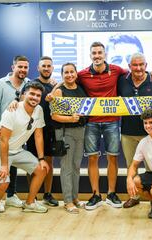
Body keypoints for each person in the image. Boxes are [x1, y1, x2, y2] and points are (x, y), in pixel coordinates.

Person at [0, 81, 49, 220]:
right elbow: (3, 140)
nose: (35, 97)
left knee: (42, 169)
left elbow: (38, 135)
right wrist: (4, 165)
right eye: (31, 94)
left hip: (16, 151)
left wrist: (42, 159)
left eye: (38, 95)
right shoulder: (12, 111)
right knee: (3, 182)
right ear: (23, 94)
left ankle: (30, 203)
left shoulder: (39, 110)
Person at [117, 52, 152, 208]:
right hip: (127, 133)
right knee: (130, 166)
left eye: (141, 64)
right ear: (129, 67)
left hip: (149, 134)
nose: (138, 68)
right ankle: (134, 197)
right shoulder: (122, 81)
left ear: (146, 66)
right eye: (135, 65)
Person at [78, 41, 127, 210]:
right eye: (94, 53)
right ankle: (95, 195)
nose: (97, 56)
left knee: (112, 157)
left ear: (105, 54)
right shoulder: (82, 74)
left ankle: (111, 194)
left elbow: (135, 73)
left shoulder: (116, 69)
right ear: (90, 55)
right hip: (91, 122)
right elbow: (67, 80)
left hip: (112, 121)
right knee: (92, 158)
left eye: (100, 53)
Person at [0, 55, 30, 211]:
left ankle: (11, 196)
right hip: (1, 132)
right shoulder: (1, 84)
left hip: (17, 134)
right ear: (13, 67)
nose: (23, 70)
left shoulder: (29, 84)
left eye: (25, 67)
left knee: (12, 164)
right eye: (20, 67)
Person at [51, 63, 88, 214]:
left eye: (72, 72)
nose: (69, 75)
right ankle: (67, 201)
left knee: (76, 166)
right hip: (66, 131)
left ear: (76, 74)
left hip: (81, 130)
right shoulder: (59, 91)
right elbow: (54, 115)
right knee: (67, 167)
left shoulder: (80, 88)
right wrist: (70, 119)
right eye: (66, 72)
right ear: (62, 75)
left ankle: (75, 197)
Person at [25, 56, 59, 207]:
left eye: (49, 66)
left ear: (52, 68)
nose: (46, 68)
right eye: (43, 66)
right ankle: (33, 195)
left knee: (49, 163)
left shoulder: (56, 86)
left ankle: (47, 193)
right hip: (32, 130)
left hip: (51, 129)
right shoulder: (31, 85)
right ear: (38, 68)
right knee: (31, 163)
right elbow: (21, 99)